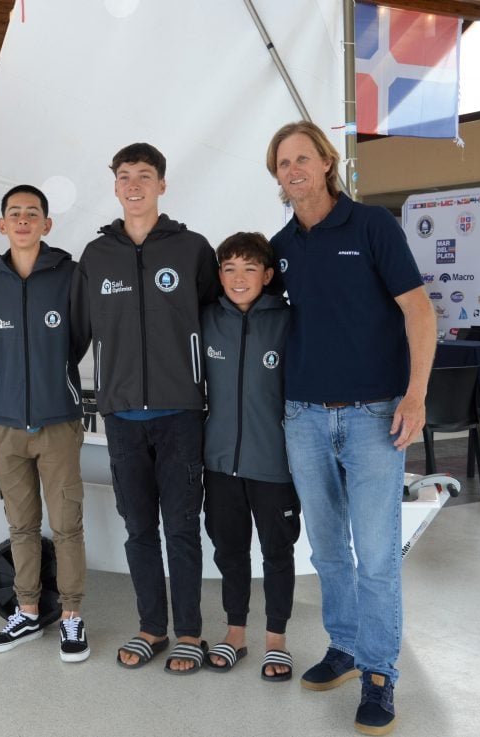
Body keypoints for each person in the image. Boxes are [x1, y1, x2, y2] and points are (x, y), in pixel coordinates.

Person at [265, 121, 435, 735]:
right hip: (304, 417)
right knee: (328, 549)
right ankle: (343, 646)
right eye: (283, 163)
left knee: (378, 555)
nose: (293, 170)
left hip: (372, 417)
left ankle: (380, 672)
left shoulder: (372, 227)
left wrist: (414, 396)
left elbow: (419, 310)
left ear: (326, 162)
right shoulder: (280, 245)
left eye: (302, 158)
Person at [71, 143, 221, 674]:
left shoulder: (193, 249)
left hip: (181, 413)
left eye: (145, 176)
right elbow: (75, 333)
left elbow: (217, 319)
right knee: (138, 530)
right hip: (122, 417)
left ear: (162, 184)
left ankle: (189, 633)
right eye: (125, 176)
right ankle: (151, 627)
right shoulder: (96, 256)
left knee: (181, 528)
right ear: (114, 185)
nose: (134, 185)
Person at [0, 185, 89, 662]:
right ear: (2, 225)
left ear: (46, 224)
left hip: (58, 421)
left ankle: (73, 619)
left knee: (66, 525)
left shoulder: (69, 275)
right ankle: (28, 613)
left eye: (31, 213)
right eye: (13, 213)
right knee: (21, 525)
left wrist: (51, 379)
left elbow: (78, 337)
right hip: (8, 423)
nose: (22, 220)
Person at [200, 232, 299, 681]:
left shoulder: (289, 321)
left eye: (249, 268)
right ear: (219, 275)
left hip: (273, 464)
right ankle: (235, 632)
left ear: (268, 274)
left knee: (277, 551)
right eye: (229, 269)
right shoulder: (206, 320)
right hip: (220, 462)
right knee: (229, 551)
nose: (239, 278)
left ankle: (275, 639)